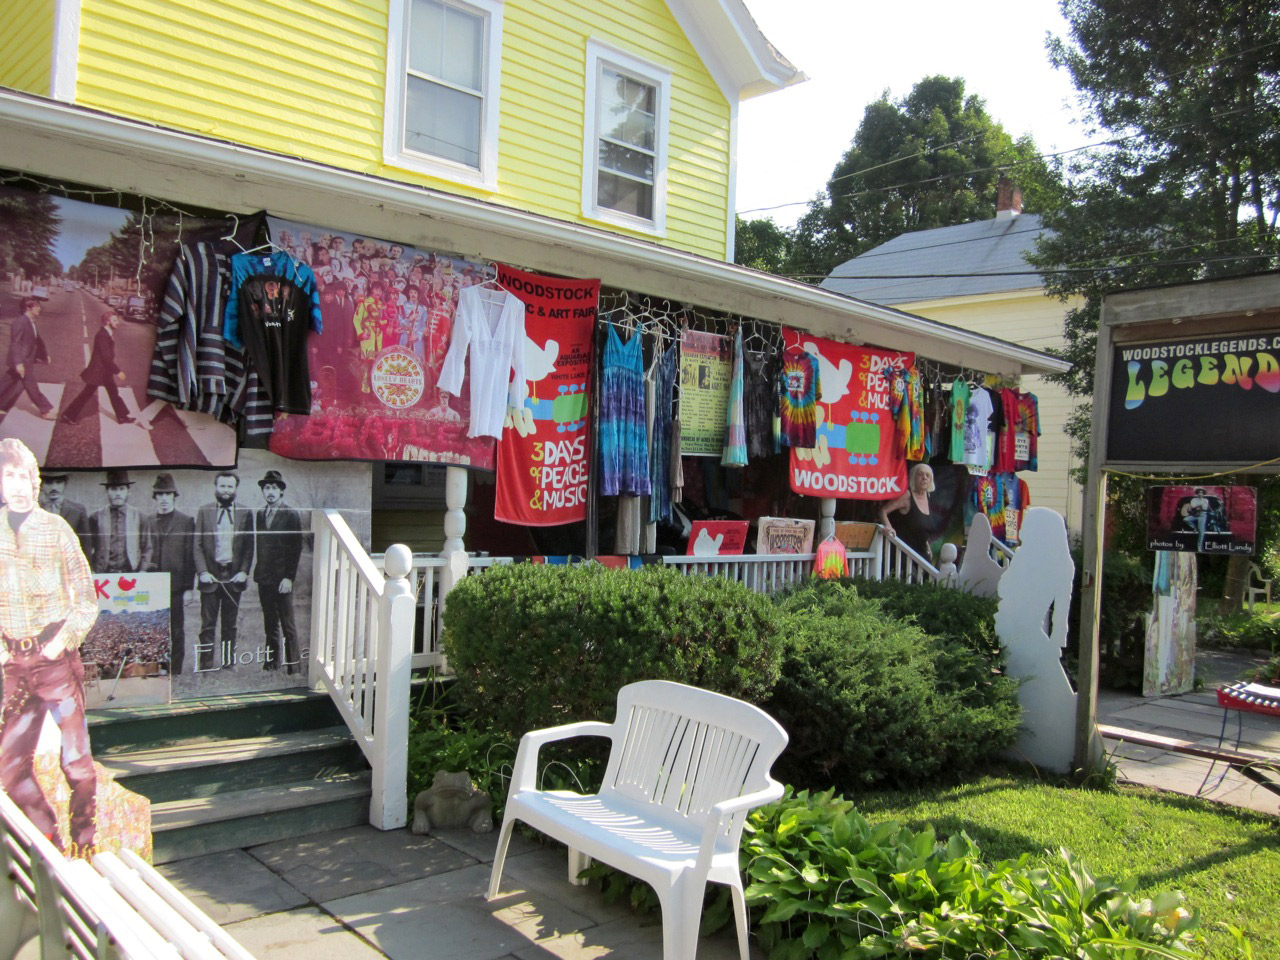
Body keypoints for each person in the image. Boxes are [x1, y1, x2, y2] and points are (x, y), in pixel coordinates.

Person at [0, 438, 100, 856]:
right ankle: (51, 844)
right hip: (13, 664)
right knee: (9, 768)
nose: (16, 485)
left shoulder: (56, 530)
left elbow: (87, 599)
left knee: (76, 763)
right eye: (8, 476)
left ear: (35, 482)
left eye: (23, 476)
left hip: (55, 662)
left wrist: (60, 644)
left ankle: (85, 841)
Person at [193, 472, 254, 670]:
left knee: (230, 624)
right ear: (216, 487)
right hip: (210, 576)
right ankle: (206, 665)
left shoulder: (245, 512)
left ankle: (228, 664)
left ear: (235, 489)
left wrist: (244, 571)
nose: (226, 490)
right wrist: (203, 572)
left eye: (230, 486)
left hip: (233, 576)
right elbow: (197, 545)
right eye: (222, 486)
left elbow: (249, 546)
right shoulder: (204, 511)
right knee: (208, 625)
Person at [143, 474, 195, 675]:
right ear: (155, 497)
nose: (164, 498)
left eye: (168, 494)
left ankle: (176, 670)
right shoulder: (147, 521)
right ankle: (158, 666)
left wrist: (189, 588)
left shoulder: (186, 521)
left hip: (176, 585)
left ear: (174, 496)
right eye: (160, 494)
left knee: (176, 629)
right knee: (154, 628)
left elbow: (189, 556)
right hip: (153, 584)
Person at [60, 309, 148, 428]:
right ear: (107, 322)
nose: (118, 322)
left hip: (105, 371)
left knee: (114, 393)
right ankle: (68, 415)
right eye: (115, 320)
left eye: (117, 320)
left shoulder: (107, 333)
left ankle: (122, 416)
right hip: (98, 371)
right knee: (86, 394)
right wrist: (118, 371)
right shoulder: (102, 335)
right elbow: (106, 358)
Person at [253, 470, 303, 674]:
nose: (270, 492)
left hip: (282, 579)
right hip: (264, 578)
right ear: (263, 491)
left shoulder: (291, 514)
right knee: (270, 623)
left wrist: (289, 577)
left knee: (287, 624)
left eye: (274, 488)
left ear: (281, 491)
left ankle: (294, 667)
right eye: (267, 488)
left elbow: (296, 548)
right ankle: (271, 664)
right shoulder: (260, 514)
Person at [0, 296, 56, 420]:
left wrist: (44, 355)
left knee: (7, 382)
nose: (39, 308)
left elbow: (37, 341)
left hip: (26, 358)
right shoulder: (20, 322)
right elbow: (16, 343)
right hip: (22, 360)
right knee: (31, 385)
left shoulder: (30, 321)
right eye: (37, 306)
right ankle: (45, 410)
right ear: (28, 308)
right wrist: (18, 363)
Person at [87, 469, 150, 572]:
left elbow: (147, 548)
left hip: (131, 573)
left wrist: (142, 571)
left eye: (122, 489)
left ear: (128, 491)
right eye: (114, 489)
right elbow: (87, 547)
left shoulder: (140, 516)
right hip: (103, 573)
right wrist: (92, 570)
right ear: (107, 491)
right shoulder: (95, 517)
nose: (118, 493)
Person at [878, 462, 936, 562]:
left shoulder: (928, 497)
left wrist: (927, 545)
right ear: (913, 477)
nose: (924, 478)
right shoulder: (907, 496)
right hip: (903, 555)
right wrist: (888, 526)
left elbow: (922, 529)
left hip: (922, 555)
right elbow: (883, 511)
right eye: (920, 474)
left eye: (928, 475)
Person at [38, 469, 90, 555]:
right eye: (48, 483)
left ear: (65, 484)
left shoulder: (78, 510)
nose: (54, 488)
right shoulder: (35, 509)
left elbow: (86, 545)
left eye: (59, 482)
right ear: (41, 485)